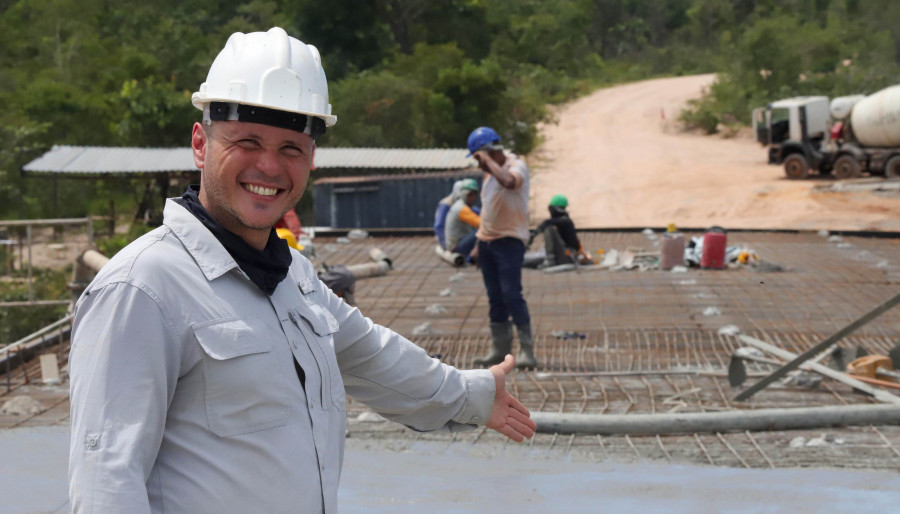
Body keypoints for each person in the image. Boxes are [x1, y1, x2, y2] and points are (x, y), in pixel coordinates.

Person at [68, 28, 535, 514]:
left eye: (291, 148)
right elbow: (106, 483)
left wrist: (473, 395)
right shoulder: (142, 288)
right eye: (247, 141)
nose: (270, 167)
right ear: (201, 144)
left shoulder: (291, 276)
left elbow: (373, 355)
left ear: (311, 159)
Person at [467, 127, 537, 370]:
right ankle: (500, 349)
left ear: (489, 153)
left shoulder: (516, 166)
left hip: (509, 241)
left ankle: (527, 350)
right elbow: (489, 210)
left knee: (511, 294)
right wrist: (478, 243)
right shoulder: (489, 176)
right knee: (495, 297)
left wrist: (487, 160)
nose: (479, 165)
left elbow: (509, 182)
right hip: (488, 242)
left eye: (479, 158)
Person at [528, 194, 593, 267]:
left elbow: (547, 223)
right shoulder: (564, 221)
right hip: (566, 255)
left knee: (549, 229)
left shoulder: (564, 221)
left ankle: (550, 260)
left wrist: (533, 235)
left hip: (567, 256)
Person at [444, 178, 480, 260]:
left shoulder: (461, 205)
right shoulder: (461, 208)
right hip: (456, 248)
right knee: (481, 232)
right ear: (463, 194)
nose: (473, 198)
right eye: (470, 195)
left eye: (474, 195)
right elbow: (480, 223)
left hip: (455, 244)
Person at [433, 179, 464, 249]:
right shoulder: (446, 204)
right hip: (447, 238)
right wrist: (445, 244)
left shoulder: (463, 202)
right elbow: (439, 226)